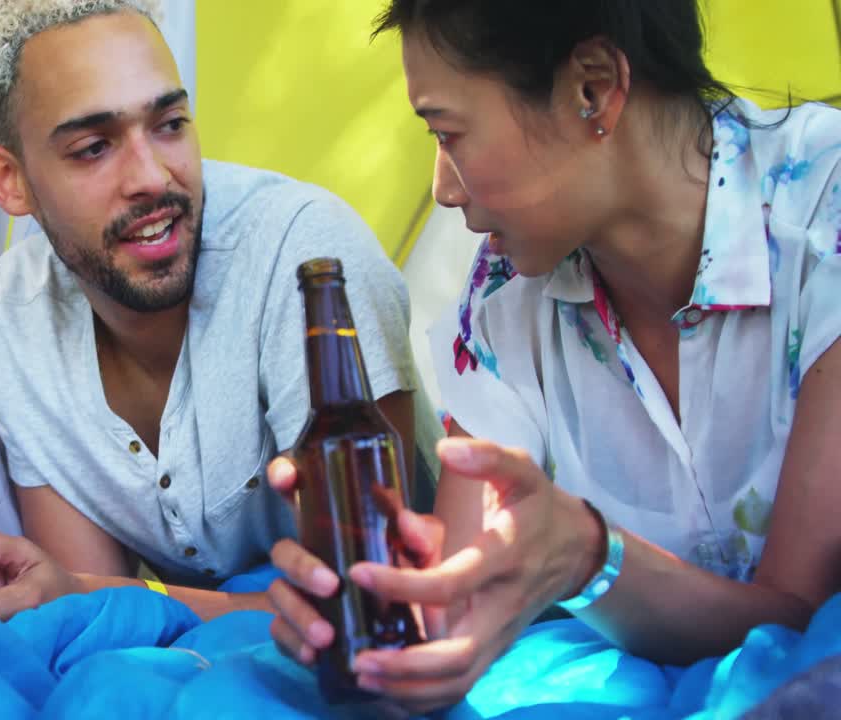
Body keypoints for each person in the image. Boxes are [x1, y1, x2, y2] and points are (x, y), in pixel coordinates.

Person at [268, 0, 841, 713]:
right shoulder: (502, 295)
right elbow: (459, 595)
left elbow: (801, 623)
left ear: (592, 89)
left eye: (449, 134)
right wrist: (381, 596)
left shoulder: (825, 212)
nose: (443, 188)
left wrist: (588, 557)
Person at [0, 0, 442, 622]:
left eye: (169, 123)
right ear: (10, 182)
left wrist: (113, 600)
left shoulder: (305, 261)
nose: (152, 177)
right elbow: (84, 614)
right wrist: (91, 599)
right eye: (92, 147)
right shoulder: (18, 317)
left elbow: (361, 606)